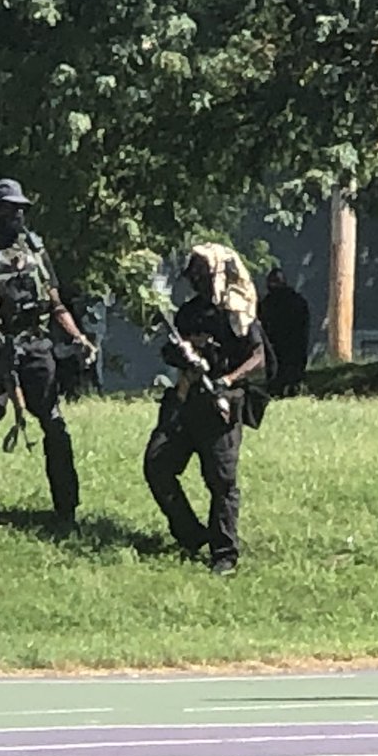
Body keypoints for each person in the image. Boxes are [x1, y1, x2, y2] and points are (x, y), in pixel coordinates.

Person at [0, 178, 97, 525]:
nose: (18, 216)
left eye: (21, 209)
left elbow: (56, 304)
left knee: (54, 423)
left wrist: (78, 337)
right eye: (10, 208)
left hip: (37, 344)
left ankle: (66, 507)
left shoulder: (36, 252)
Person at [144, 243, 267, 576]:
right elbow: (169, 352)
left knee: (221, 481)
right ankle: (190, 534)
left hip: (221, 408)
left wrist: (226, 380)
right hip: (185, 402)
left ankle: (224, 553)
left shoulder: (239, 313)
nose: (195, 280)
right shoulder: (188, 312)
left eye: (200, 272)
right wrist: (181, 354)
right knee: (157, 465)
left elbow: (258, 358)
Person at [258, 267, 310, 397]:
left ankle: (285, 389)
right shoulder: (296, 301)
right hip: (287, 344)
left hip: (286, 343)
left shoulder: (269, 303)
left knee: (283, 371)